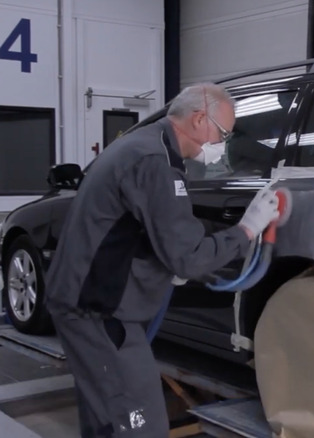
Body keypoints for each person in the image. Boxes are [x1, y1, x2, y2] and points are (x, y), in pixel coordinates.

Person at [44, 83, 279, 437]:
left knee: (107, 416)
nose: (224, 144)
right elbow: (188, 258)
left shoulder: (144, 145)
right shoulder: (154, 162)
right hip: (98, 315)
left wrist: (161, 261)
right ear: (200, 119)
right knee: (139, 423)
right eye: (224, 133)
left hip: (87, 306)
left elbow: (131, 228)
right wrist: (246, 229)